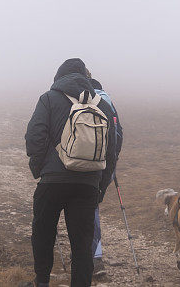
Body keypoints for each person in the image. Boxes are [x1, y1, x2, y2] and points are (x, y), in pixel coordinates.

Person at [25, 58, 117, 287]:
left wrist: (39, 169)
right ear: (86, 78)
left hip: (53, 181)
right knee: (82, 244)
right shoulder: (103, 106)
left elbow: (34, 137)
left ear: (59, 77)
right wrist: (100, 187)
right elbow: (112, 151)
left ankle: (42, 282)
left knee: (43, 234)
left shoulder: (48, 98)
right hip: (87, 185)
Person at [89, 78, 123, 279]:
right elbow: (118, 134)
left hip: (77, 167)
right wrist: (112, 165)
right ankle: (96, 257)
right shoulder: (106, 100)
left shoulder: (75, 98)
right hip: (102, 167)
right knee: (92, 208)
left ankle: (87, 257)